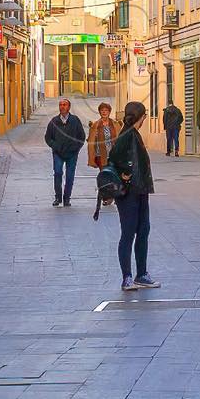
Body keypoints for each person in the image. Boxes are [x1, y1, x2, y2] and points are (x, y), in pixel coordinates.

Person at [107, 102, 158, 290]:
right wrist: (124, 175)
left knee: (143, 231)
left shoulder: (133, 134)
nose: (145, 119)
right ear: (140, 117)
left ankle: (141, 274)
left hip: (140, 190)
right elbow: (113, 159)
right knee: (128, 233)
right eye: (144, 116)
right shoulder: (126, 135)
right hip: (129, 193)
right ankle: (127, 277)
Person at [44, 98, 87, 207]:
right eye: (60, 105)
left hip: (72, 153)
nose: (62, 107)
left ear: (69, 107)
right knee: (58, 173)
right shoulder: (54, 121)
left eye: (64, 104)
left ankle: (67, 198)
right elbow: (48, 137)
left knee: (70, 176)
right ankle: (58, 197)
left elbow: (81, 136)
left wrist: (76, 148)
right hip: (58, 153)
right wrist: (55, 146)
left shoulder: (75, 120)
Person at [86, 102, 117, 170]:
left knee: (113, 174)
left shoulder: (115, 124)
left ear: (109, 112)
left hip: (113, 155)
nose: (104, 112)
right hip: (100, 155)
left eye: (106, 110)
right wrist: (92, 157)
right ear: (99, 112)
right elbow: (91, 142)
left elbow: (120, 139)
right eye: (102, 110)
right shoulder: (95, 125)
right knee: (104, 173)